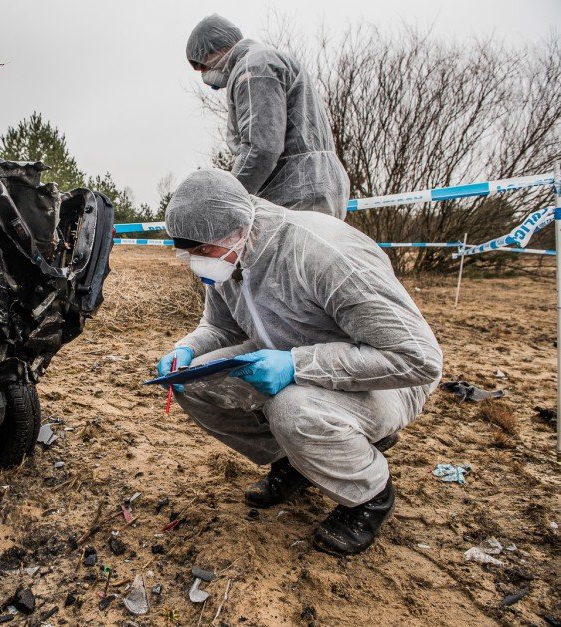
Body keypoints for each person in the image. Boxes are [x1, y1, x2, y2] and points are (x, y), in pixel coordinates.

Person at [156, 169, 442, 556]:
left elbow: (417, 359)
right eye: (188, 252)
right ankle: (300, 461)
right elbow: (220, 325)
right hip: (291, 357)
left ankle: (369, 494)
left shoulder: (325, 254)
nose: (196, 262)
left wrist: (296, 365)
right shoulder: (232, 254)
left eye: (201, 251)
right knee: (193, 381)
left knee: (291, 408)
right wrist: (187, 349)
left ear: (237, 227)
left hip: (383, 380)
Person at [186, 14, 350, 220]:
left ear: (216, 48)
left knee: (286, 252)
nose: (204, 75)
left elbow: (261, 147)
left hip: (293, 189)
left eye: (203, 66)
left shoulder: (253, 68)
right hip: (319, 184)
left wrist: (227, 200)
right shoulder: (269, 59)